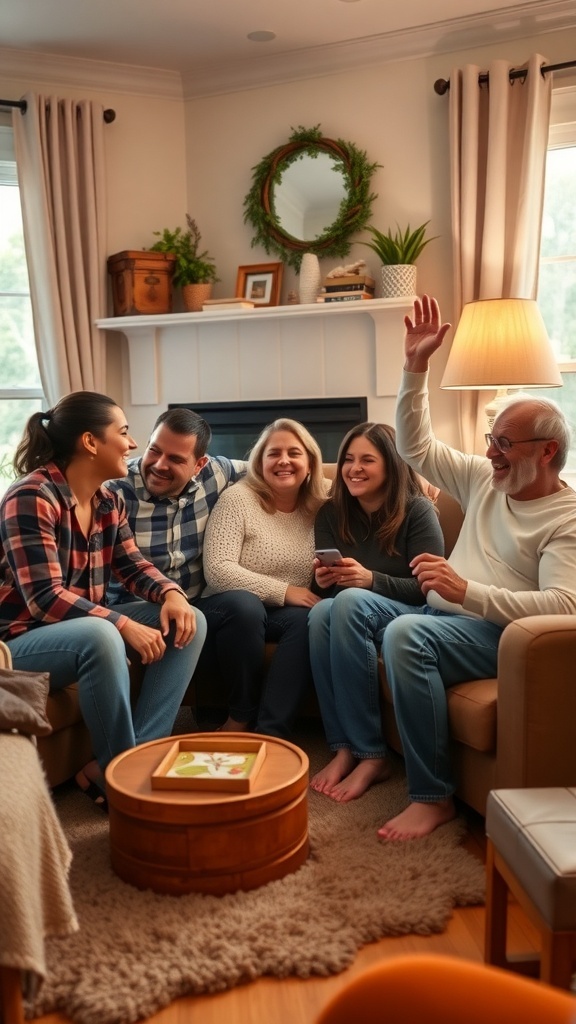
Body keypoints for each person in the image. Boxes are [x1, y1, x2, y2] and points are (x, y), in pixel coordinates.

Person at [374, 293, 576, 841]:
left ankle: (431, 797)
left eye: (505, 443)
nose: (491, 452)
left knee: (405, 635)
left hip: (499, 634)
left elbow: (563, 608)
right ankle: (359, 752)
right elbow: (415, 447)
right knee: (349, 613)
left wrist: (468, 592)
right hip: (445, 615)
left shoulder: (567, 519)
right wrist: (415, 367)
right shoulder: (486, 478)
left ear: (549, 452)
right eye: (491, 440)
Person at [0, 392, 207, 808]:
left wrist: (172, 593)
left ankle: (132, 765)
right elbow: (43, 598)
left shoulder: (107, 501)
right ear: (91, 442)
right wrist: (123, 623)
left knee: (191, 621)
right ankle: (126, 792)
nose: (132, 445)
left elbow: (132, 567)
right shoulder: (31, 496)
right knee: (103, 633)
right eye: (125, 432)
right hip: (18, 643)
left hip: (78, 629)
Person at [308, 422, 444, 802]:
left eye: (368, 459)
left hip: (412, 615)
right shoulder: (331, 515)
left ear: (392, 465)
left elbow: (430, 589)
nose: (354, 468)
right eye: (349, 459)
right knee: (319, 614)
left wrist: (371, 580)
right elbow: (328, 589)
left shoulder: (417, 511)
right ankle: (344, 748)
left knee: (346, 602)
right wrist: (321, 579)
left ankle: (371, 754)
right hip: (354, 615)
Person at [201, 417, 327, 737]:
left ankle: (271, 731)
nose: (284, 461)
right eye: (273, 453)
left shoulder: (320, 503)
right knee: (246, 605)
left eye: (294, 453)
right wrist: (285, 591)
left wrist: (417, 478)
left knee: (306, 620)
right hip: (226, 608)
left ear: (310, 463)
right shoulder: (238, 499)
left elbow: (366, 479)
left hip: (279, 613)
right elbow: (217, 569)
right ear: (260, 462)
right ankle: (240, 716)